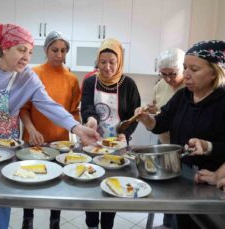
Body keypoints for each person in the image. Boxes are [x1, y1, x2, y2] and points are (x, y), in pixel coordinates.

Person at [0, 24, 100, 229]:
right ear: (5, 48)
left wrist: (77, 128)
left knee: (2, 187)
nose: (27, 57)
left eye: (30, 52)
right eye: (22, 50)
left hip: (5, 140)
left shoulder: (28, 77)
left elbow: (48, 105)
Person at [135, 40, 225, 229]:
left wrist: (209, 148)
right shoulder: (182, 96)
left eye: (194, 69)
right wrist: (146, 119)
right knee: (181, 221)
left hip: (211, 183)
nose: (186, 75)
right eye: (185, 68)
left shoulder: (222, 102)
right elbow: (161, 124)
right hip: (181, 176)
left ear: (214, 73)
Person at [20, 31, 81, 229]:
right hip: (33, 140)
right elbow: (24, 108)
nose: (59, 55)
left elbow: (73, 113)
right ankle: (27, 220)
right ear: (46, 49)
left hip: (60, 143)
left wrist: (80, 134)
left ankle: (55, 222)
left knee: (57, 185)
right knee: (30, 182)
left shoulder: (71, 79)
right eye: (55, 50)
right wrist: (31, 129)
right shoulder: (33, 73)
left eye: (63, 50)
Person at [81, 38, 141, 229]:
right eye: (103, 62)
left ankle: (107, 225)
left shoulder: (129, 84)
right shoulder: (90, 82)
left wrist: (125, 133)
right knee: (91, 183)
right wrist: (90, 119)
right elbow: (87, 106)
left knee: (113, 186)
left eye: (112, 62)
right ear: (97, 61)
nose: (107, 67)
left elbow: (134, 115)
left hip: (118, 145)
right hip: (93, 142)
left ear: (119, 61)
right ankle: (91, 224)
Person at [149, 48, 185, 229]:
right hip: (163, 142)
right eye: (164, 74)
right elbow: (159, 109)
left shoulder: (190, 86)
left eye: (172, 74)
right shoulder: (161, 85)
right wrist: (151, 111)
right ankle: (166, 224)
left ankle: (172, 225)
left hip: (181, 146)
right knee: (164, 188)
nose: (169, 79)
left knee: (178, 192)